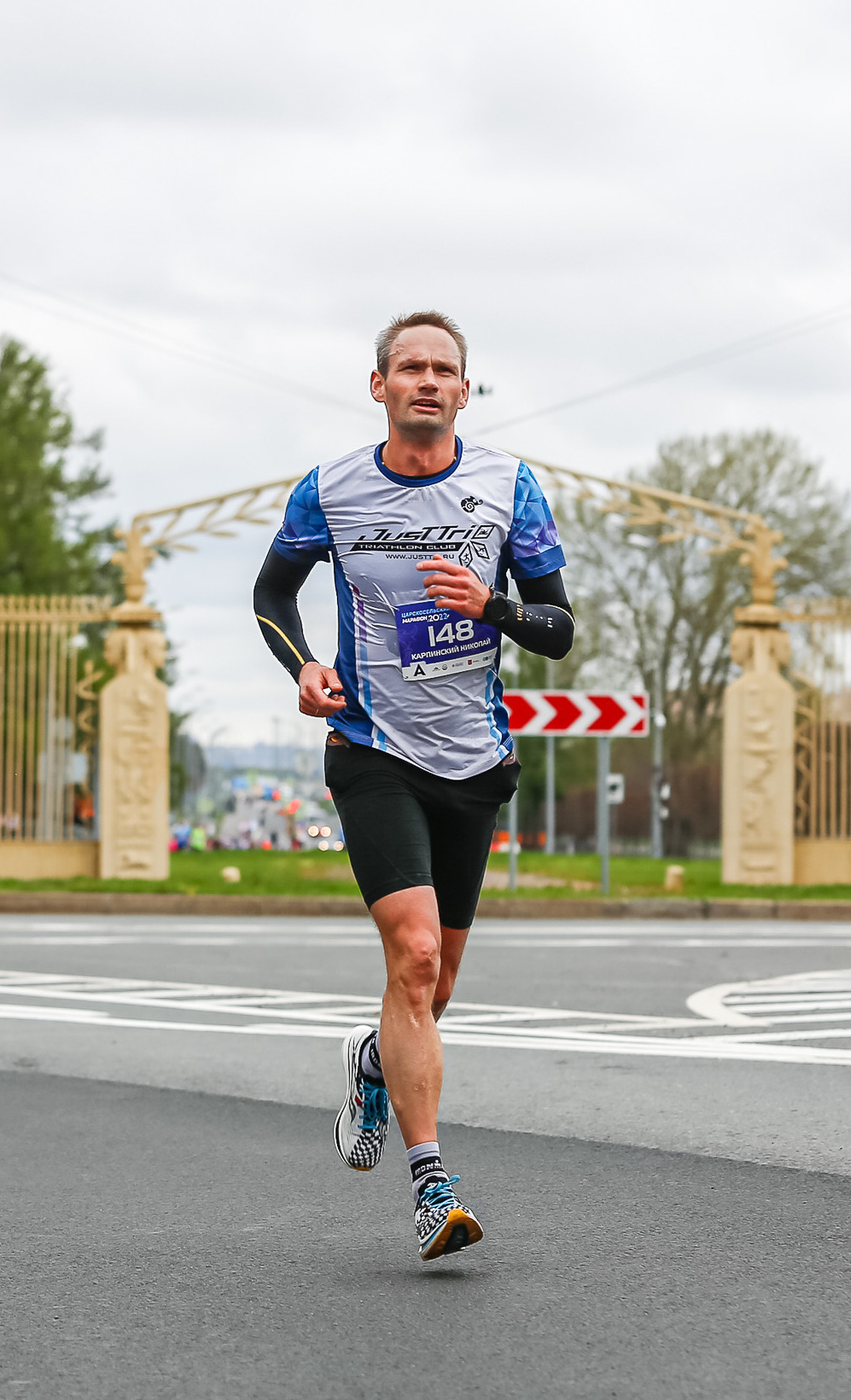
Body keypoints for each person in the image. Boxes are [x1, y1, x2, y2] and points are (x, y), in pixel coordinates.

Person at [253, 310, 575, 1262]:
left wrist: (493, 604)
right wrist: (304, 667)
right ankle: (434, 1189)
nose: (427, 380)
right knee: (417, 953)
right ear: (379, 385)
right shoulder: (330, 488)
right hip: (372, 750)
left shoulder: (510, 486)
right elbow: (271, 594)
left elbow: (559, 627)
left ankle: (372, 1057)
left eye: (444, 369)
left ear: (465, 391)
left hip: (473, 763)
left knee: (432, 989)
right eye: (410, 367)